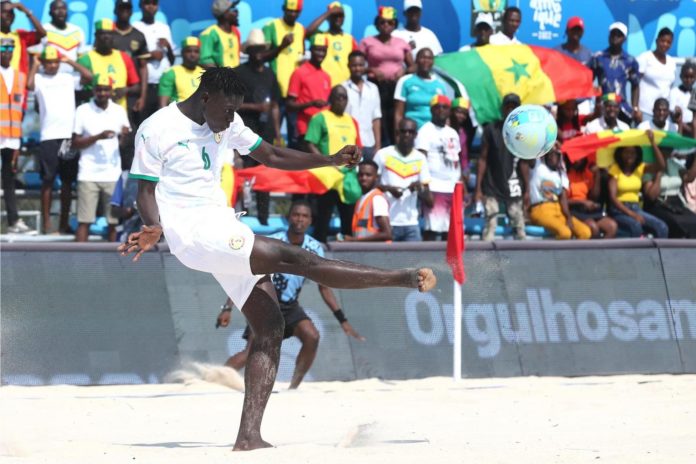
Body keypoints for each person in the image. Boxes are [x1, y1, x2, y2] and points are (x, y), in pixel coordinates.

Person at [118, 67, 436, 451]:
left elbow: (270, 154)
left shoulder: (226, 120)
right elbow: (144, 193)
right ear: (205, 98)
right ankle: (401, 279)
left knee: (269, 328)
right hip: (193, 233)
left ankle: (248, 437)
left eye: (236, 109)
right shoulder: (157, 128)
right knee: (296, 256)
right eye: (227, 109)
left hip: (220, 226)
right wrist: (153, 226)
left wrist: (330, 160)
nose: (232, 118)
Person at [216, 200, 365, 389]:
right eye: (296, 215)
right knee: (253, 350)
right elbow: (248, 274)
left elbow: (324, 287)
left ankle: (294, 387)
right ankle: (215, 380)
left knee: (312, 336)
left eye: (305, 216)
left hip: (290, 306)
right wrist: (227, 308)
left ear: (311, 220)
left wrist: (342, 320)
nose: (300, 220)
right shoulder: (273, 242)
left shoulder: (314, 247)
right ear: (288, 218)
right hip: (266, 303)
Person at [27, 46, 93, 235]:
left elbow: (88, 77)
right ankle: (47, 225)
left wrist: (69, 61)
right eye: (49, 62)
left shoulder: (67, 78)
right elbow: (29, 85)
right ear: (44, 63)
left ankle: (63, 224)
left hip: (68, 137)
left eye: (55, 62)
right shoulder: (39, 78)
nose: (52, 65)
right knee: (47, 181)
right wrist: (35, 64)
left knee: (66, 182)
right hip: (48, 136)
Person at [71, 75, 131, 242]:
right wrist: (98, 137)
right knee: (84, 221)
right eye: (99, 89)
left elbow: (123, 144)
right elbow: (75, 143)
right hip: (87, 173)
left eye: (106, 89)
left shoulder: (119, 110)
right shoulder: (82, 110)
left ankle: (113, 264)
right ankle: (78, 263)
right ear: (93, 90)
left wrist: (125, 136)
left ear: (111, 91)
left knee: (113, 222)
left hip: (112, 174)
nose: (102, 93)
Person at [234, 29, 282, 225]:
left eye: (261, 49)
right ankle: (244, 217)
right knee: (245, 175)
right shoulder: (239, 72)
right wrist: (255, 107)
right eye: (255, 49)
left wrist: (278, 133)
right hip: (245, 132)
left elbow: (275, 106)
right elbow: (232, 102)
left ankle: (263, 218)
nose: (259, 53)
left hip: (267, 132)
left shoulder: (270, 73)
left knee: (265, 175)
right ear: (249, 51)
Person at [305, 85, 361, 242]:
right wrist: (327, 162)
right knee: (323, 218)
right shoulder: (320, 118)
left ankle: (347, 257)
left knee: (348, 220)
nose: (341, 100)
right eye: (338, 97)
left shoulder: (352, 121)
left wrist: (355, 160)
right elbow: (310, 143)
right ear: (331, 99)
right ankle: (317, 253)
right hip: (327, 176)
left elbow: (358, 146)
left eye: (345, 97)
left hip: (348, 177)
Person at [475, 93, 529, 241]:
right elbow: (483, 159)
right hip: (492, 182)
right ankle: (485, 260)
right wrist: (478, 188)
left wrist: (527, 190)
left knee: (519, 225)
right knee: (490, 225)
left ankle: (524, 258)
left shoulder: (522, 133)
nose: (510, 109)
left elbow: (524, 162)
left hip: (514, 182)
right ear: (502, 109)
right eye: (508, 106)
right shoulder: (491, 129)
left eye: (514, 107)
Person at [359, 6, 414, 146]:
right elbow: (357, 66)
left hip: (397, 87)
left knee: (395, 118)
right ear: (377, 24)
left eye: (390, 22)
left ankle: (397, 147)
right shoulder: (367, 42)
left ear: (395, 24)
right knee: (378, 118)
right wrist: (372, 69)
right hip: (376, 86)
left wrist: (404, 71)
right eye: (382, 22)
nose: (386, 25)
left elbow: (413, 66)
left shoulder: (401, 43)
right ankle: (379, 148)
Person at [373, 117, 432, 241]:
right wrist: (388, 189)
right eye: (403, 131)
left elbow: (430, 200)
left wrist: (419, 188)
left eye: (410, 132)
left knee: (414, 261)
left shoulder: (421, 158)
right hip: (387, 222)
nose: (407, 135)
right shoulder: (383, 154)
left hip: (411, 224)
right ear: (397, 133)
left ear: (415, 135)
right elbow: (371, 185)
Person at [415, 95, 462, 241]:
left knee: (451, 231)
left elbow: (457, 160)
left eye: (445, 107)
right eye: (437, 107)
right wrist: (425, 188)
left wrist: (460, 185)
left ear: (449, 111)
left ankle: (448, 263)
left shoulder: (452, 132)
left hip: (453, 187)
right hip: (435, 187)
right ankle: (427, 261)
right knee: (433, 229)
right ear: (431, 110)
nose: (441, 110)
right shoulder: (425, 131)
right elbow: (420, 161)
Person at [607, 130, 668, 238]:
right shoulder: (615, 169)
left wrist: (652, 142)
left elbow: (661, 166)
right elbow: (613, 198)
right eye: (626, 152)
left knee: (662, 227)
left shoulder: (640, 168)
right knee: (635, 226)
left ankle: (657, 254)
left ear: (637, 155)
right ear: (621, 153)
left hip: (636, 208)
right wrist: (632, 215)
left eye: (632, 153)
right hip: (619, 210)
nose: (629, 156)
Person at [0, 37, 33, 234]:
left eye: (9, 49)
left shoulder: (19, 76)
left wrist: (18, 140)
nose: (6, 53)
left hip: (11, 136)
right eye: (3, 49)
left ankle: (14, 221)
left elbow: (18, 110)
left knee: (9, 179)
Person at [528, 149, 592, 240]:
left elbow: (563, 198)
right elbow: (531, 156)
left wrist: (568, 217)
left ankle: (574, 254)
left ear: (559, 156)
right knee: (565, 233)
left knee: (585, 232)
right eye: (549, 154)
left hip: (559, 209)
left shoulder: (561, 173)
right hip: (540, 209)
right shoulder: (538, 167)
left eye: (554, 154)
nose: (551, 157)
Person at [77, 19, 140, 111]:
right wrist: (102, 93)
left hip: (119, 113)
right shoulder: (85, 59)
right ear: (96, 36)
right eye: (102, 34)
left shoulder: (124, 57)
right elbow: (78, 89)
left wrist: (126, 90)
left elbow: (136, 86)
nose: (106, 37)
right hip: (93, 113)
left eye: (110, 34)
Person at [590, 22, 641, 125]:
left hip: (621, 108)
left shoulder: (630, 61)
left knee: (623, 138)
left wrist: (635, 107)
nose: (615, 37)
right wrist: (595, 97)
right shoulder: (598, 57)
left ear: (624, 39)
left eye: (619, 35)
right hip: (603, 107)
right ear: (609, 36)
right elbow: (588, 80)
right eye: (613, 34)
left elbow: (635, 85)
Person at [286, 34, 331, 147]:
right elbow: (289, 105)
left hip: (323, 128)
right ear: (310, 50)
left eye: (323, 50)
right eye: (317, 50)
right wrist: (311, 104)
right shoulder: (299, 72)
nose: (320, 53)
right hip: (305, 128)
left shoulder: (327, 76)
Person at [133, 0, 175, 119]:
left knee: (164, 121)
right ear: (140, 6)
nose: (151, 6)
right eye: (147, 3)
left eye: (154, 3)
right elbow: (132, 57)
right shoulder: (135, 27)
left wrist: (168, 46)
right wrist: (151, 55)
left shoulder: (164, 27)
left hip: (164, 84)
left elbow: (171, 60)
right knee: (144, 121)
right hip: (146, 85)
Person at [564, 155, 618, 239]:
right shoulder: (565, 175)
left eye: (581, 157)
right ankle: (593, 251)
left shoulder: (587, 173)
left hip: (587, 209)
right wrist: (582, 202)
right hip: (573, 210)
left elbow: (594, 197)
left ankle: (603, 250)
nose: (578, 160)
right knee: (593, 227)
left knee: (612, 226)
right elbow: (563, 201)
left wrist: (597, 175)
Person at [305, 2, 357, 87]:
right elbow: (307, 33)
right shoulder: (320, 36)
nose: (337, 18)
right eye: (334, 15)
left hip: (345, 87)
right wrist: (328, 13)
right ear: (328, 18)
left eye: (340, 15)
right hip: (324, 85)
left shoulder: (350, 39)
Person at [393, 47, 447, 130]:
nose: (426, 61)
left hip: (434, 132)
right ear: (416, 60)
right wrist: (398, 135)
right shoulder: (405, 81)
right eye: (423, 58)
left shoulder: (440, 85)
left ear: (433, 62)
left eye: (429, 58)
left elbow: (445, 114)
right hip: (412, 132)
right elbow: (398, 113)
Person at [342, 51, 381, 161]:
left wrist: (377, 146)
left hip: (369, 142)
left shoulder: (373, 88)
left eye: (360, 65)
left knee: (366, 176)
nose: (357, 69)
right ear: (348, 66)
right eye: (354, 65)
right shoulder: (342, 88)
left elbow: (376, 118)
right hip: (348, 142)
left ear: (365, 66)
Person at [111, 0, 148, 116]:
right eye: (121, 8)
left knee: (132, 129)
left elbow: (143, 67)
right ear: (115, 10)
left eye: (127, 8)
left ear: (132, 11)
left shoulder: (139, 35)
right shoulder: (107, 34)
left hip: (132, 91)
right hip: (111, 90)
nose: (124, 11)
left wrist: (142, 96)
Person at [345, 160, 392, 241]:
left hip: (377, 251)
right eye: (361, 175)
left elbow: (387, 234)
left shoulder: (377, 199)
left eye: (368, 175)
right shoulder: (361, 198)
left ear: (376, 177)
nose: (364, 178)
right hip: (366, 251)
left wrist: (353, 240)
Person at [636, 27, 676, 121]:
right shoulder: (645, 58)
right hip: (645, 112)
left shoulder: (672, 62)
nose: (665, 44)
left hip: (663, 115)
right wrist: (636, 108)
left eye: (668, 42)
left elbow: (670, 89)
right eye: (663, 41)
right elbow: (635, 84)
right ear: (657, 41)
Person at [0, 0, 45, 76]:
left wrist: (27, 11)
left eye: (11, 12)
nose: (9, 15)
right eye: (5, 12)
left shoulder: (20, 35)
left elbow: (42, 33)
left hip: (18, 83)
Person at [41, 0, 86, 75]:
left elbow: (81, 59)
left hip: (72, 78)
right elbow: (36, 58)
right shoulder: (43, 30)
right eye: (56, 9)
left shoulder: (77, 31)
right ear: (50, 13)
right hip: (48, 78)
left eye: (63, 9)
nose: (61, 11)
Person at [158, 37, 204, 107]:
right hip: (178, 115)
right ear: (182, 53)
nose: (193, 55)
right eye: (189, 51)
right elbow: (163, 105)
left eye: (196, 51)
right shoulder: (171, 73)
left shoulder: (204, 73)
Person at [200, 0, 241, 69]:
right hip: (221, 78)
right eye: (233, 9)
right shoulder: (209, 34)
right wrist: (221, 76)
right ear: (224, 14)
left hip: (236, 77)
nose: (237, 12)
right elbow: (204, 60)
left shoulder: (236, 32)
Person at [449, 97, 475, 190]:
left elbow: (464, 156)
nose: (461, 116)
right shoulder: (444, 129)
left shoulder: (463, 133)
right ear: (451, 112)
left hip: (459, 170)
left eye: (464, 114)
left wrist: (465, 171)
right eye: (459, 112)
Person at [669, 61, 695, 138]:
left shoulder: (695, 93)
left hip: (693, 129)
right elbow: (673, 115)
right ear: (680, 76)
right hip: (679, 129)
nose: (689, 80)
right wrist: (688, 129)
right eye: (686, 77)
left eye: (692, 77)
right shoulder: (674, 92)